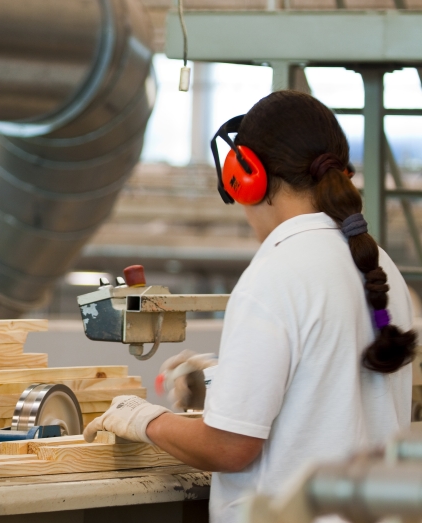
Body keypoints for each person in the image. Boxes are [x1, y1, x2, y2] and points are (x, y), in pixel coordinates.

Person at [83, 90, 418, 523]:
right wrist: (226, 388)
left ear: (245, 176)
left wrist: (144, 419)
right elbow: (332, 392)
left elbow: (229, 448)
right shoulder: (379, 266)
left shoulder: (275, 273)